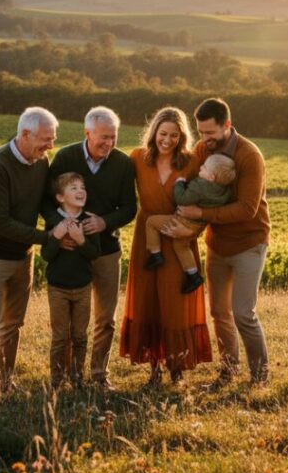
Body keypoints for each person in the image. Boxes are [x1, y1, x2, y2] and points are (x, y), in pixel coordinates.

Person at [165, 98, 271, 386]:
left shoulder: (249, 155)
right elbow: (187, 178)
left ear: (227, 125)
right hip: (218, 243)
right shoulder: (203, 149)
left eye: (210, 132)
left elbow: (247, 209)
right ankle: (228, 372)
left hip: (249, 242)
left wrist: (201, 214)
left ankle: (259, 377)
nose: (204, 139)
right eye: (200, 132)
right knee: (219, 313)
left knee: (243, 314)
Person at [43, 106, 136, 390]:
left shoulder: (122, 163)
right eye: (103, 137)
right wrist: (60, 229)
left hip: (106, 250)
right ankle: (65, 375)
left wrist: (104, 222)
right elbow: (47, 200)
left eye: (113, 136)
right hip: (70, 251)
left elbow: (130, 208)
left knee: (105, 318)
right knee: (71, 324)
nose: (109, 143)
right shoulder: (65, 157)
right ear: (88, 133)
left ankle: (98, 374)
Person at [119, 107, 212, 386]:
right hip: (147, 240)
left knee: (175, 301)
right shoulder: (137, 158)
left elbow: (205, 202)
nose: (167, 140)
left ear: (181, 137)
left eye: (174, 135)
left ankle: (177, 366)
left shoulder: (191, 163)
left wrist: (194, 230)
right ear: (153, 132)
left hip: (177, 237)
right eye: (163, 134)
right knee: (148, 301)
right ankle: (154, 367)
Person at [0, 106, 58, 393]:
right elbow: (0, 223)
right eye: (46, 139)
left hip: (23, 254)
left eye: (53, 139)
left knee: (13, 323)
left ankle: (4, 382)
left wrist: (63, 224)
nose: (50, 146)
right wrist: (48, 237)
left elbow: (44, 202)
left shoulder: (41, 162)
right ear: (26, 134)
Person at [143, 153, 236, 294]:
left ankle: (155, 254)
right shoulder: (225, 192)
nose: (201, 167)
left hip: (182, 221)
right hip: (197, 226)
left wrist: (179, 184)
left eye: (204, 167)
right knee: (181, 246)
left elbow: (182, 198)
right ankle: (193, 275)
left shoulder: (200, 186)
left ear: (211, 177)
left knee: (151, 222)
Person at [41, 172, 101, 389]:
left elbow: (94, 253)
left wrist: (80, 239)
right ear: (60, 197)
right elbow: (46, 255)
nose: (80, 191)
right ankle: (57, 380)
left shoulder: (89, 221)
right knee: (60, 337)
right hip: (58, 288)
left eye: (82, 187)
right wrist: (56, 237)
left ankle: (77, 378)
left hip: (83, 287)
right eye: (73, 188)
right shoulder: (53, 221)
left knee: (80, 336)